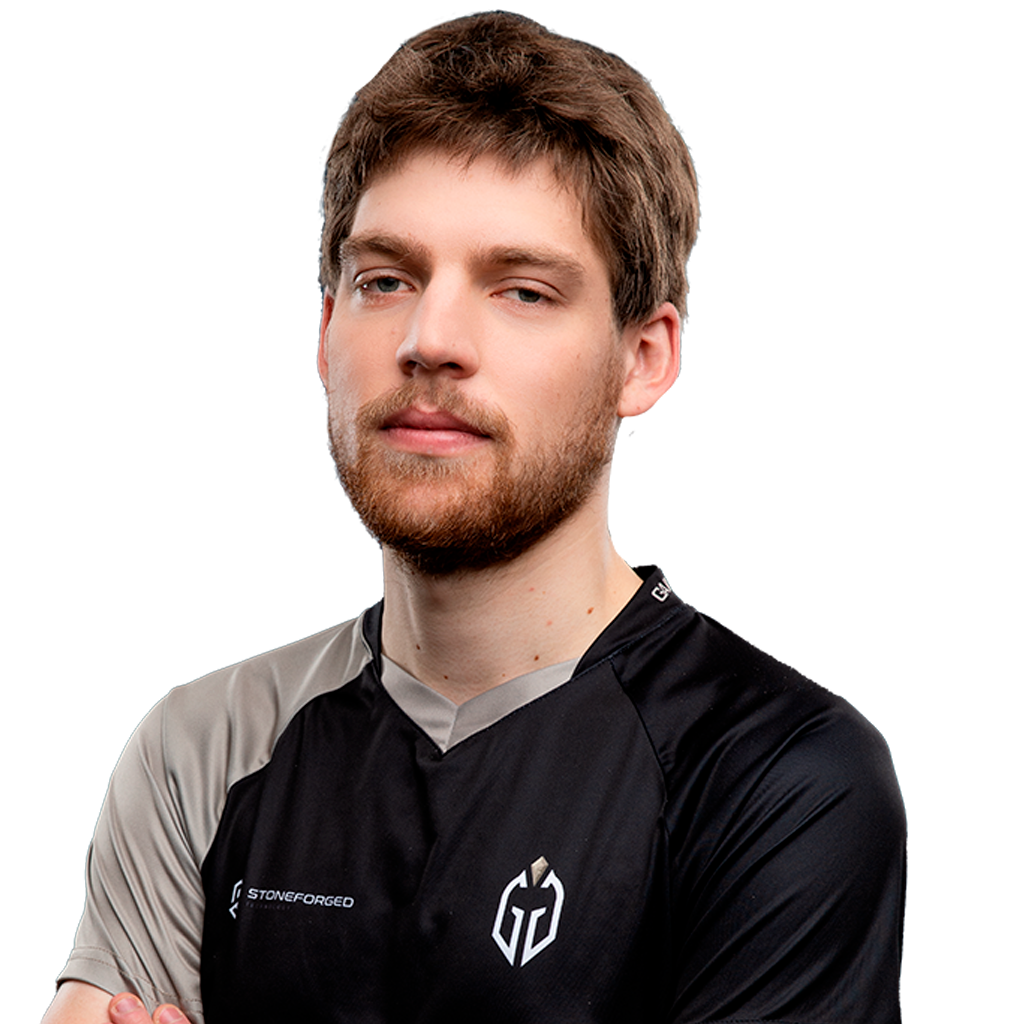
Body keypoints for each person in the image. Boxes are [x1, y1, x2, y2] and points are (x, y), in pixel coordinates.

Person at [44, 14, 906, 1024]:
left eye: (522, 291)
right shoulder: (200, 751)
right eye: (384, 280)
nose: (430, 338)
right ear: (325, 332)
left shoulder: (779, 775)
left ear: (643, 360)